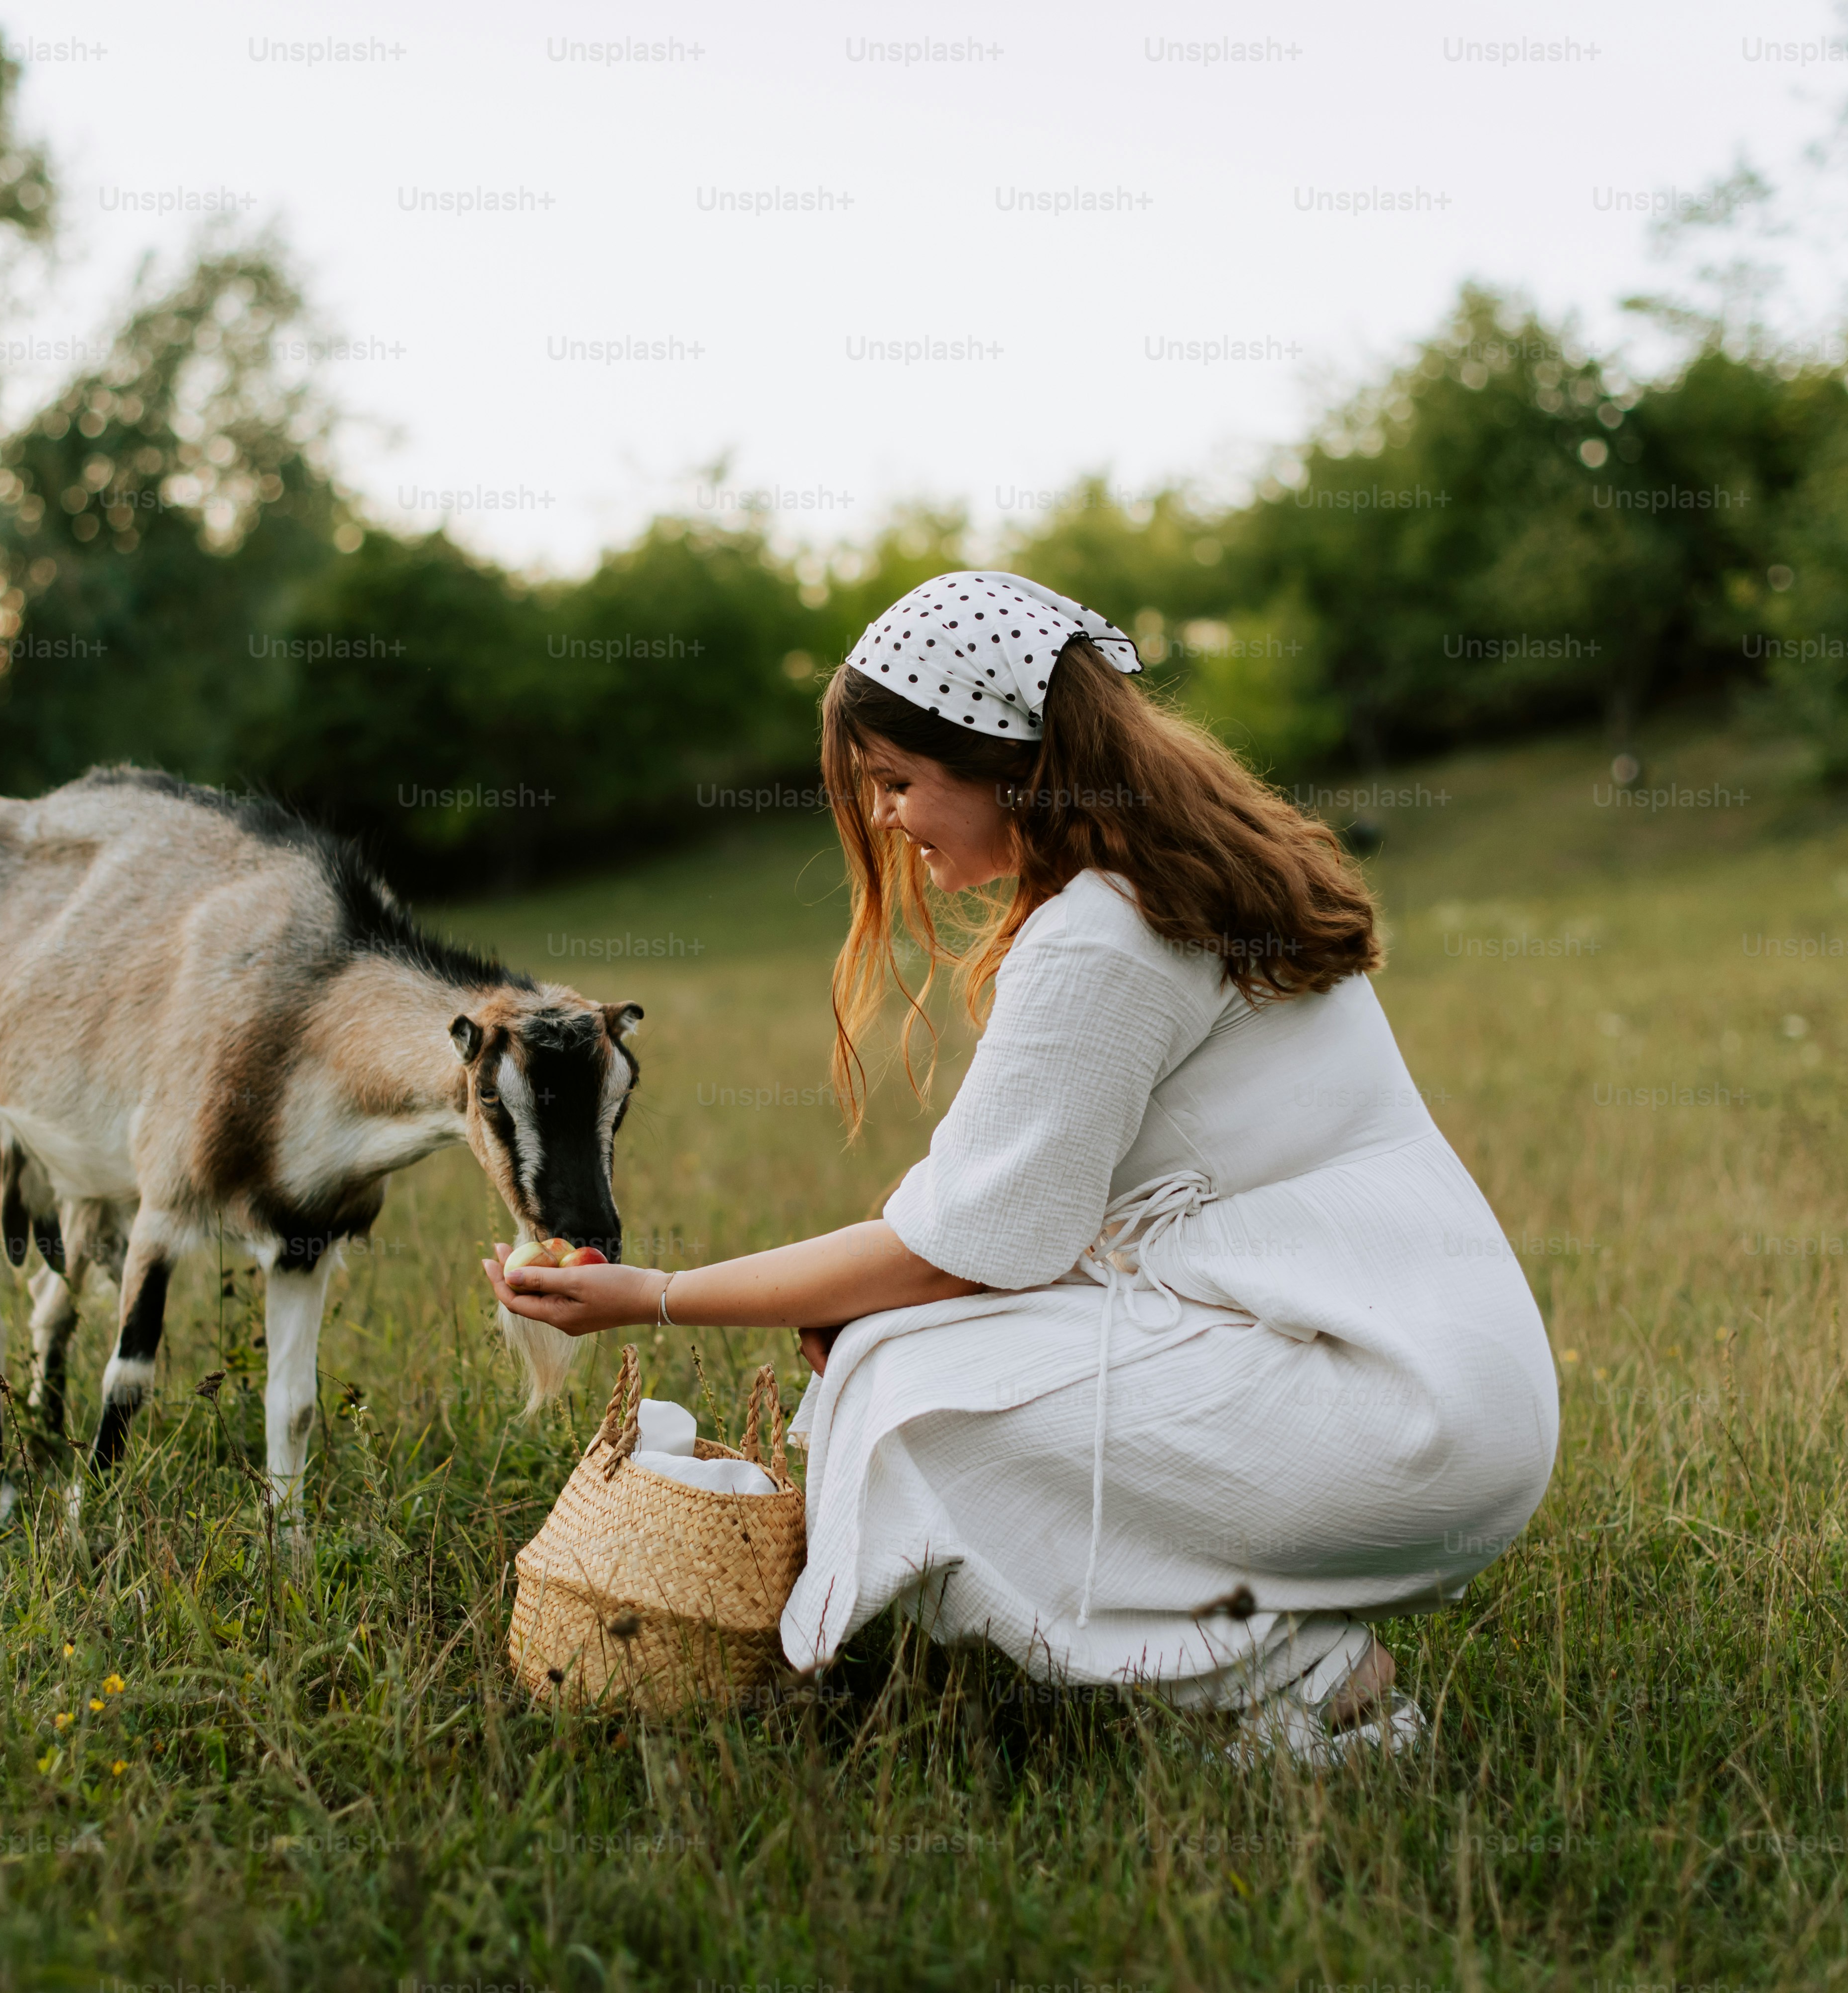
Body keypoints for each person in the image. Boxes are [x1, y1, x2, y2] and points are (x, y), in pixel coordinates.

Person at [485, 571, 1557, 1761]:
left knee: (906, 1404)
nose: (887, 818)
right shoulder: (1170, 881)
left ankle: (1305, 1683)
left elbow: (953, 1257)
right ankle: (1266, 1643)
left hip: (1389, 1411)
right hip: (1434, 1383)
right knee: (897, 1348)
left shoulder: (1103, 932)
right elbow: (1010, 1233)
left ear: (1007, 763)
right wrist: (869, 1308)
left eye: (898, 781)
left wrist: (660, 1297)